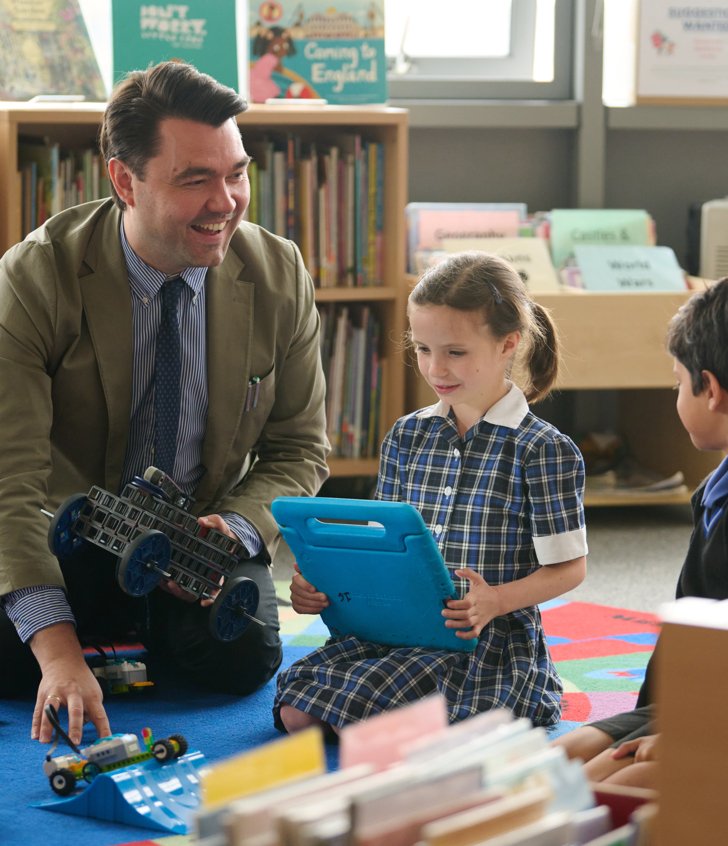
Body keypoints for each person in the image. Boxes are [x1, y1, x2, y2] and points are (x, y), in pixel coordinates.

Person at [0, 60, 329, 746]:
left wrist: (235, 531)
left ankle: (125, 635)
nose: (227, 201)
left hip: (197, 535)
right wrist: (57, 655)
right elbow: (10, 482)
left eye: (235, 173)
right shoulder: (35, 277)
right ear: (125, 180)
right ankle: (100, 636)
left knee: (243, 661)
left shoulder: (279, 272)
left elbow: (300, 449)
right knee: (12, 655)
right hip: (66, 529)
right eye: (194, 179)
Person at [273, 251, 588, 733]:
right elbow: (383, 547)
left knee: (353, 715)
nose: (435, 367)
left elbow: (570, 568)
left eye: (455, 352)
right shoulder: (407, 435)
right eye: (422, 349)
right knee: (298, 703)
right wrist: (323, 588)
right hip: (400, 628)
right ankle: (415, 727)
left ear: (508, 344)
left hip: (485, 637)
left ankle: (432, 729)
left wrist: (497, 601)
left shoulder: (543, 450)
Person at [553, 276, 728, 790]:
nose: (676, 394)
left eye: (677, 383)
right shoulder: (716, 489)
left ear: (711, 390)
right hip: (694, 698)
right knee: (566, 755)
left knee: (614, 784)